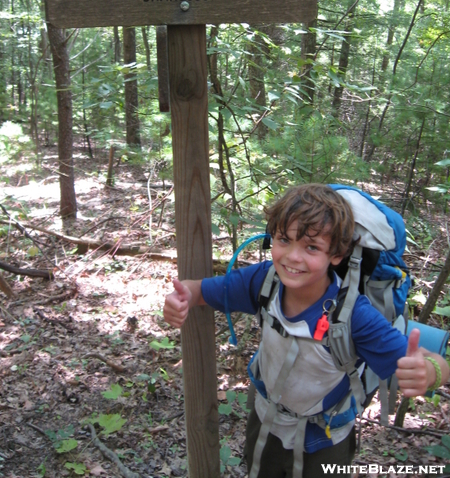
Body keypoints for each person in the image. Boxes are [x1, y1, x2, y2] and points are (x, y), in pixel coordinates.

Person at [163, 184, 449, 478]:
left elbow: (430, 363)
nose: (293, 257)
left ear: (336, 254)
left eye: (311, 247)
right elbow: (202, 291)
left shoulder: (354, 316)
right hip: (266, 424)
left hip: (326, 438)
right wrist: (181, 298)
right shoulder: (264, 281)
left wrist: (430, 371)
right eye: (284, 239)